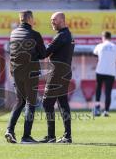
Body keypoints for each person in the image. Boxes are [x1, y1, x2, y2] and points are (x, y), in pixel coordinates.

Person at [5, 10, 46, 144]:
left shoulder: (13, 33)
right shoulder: (35, 34)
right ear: (29, 19)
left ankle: (9, 130)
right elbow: (43, 54)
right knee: (30, 103)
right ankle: (26, 136)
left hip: (16, 72)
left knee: (19, 101)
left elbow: (12, 52)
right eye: (32, 18)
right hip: (31, 73)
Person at [39, 12, 75, 143]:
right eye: (51, 20)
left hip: (57, 74)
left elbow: (45, 53)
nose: (52, 22)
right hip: (64, 73)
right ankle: (67, 136)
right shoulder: (68, 35)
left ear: (62, 20)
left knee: (47, 103)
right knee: (63, 103)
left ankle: (51, 136)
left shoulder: (61, 36)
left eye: (54, 20)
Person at [93, 31, 116, 117]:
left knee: (98, 89)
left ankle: (97, 108)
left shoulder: (99, 46)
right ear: (110, 37)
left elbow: (95, 55)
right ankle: (106, 111)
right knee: (108, 92)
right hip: (111, 72)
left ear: (103, 37)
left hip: (100, 71)